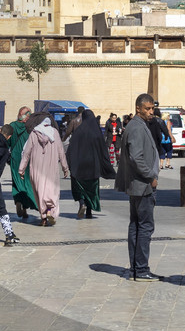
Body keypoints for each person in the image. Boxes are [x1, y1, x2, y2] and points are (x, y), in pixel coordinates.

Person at [120, 92, 161, 280]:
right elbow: (136, 157)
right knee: (144, 227)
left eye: (152, 108)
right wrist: (151, 175)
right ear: (138, 108)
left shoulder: (139, 125)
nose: (151, 112)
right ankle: (141, 269)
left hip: (138, 185)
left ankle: (137, 268)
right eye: (148, 108)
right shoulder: (136, 127)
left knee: (137, 226)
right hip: (142, 186)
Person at [18, 112, 67, 226]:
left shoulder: (34, 133)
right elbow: (61, 151)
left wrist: (21, 169)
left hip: (36, 168)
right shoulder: (54, 133)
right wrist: (65, 168)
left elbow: (26, 153)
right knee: (52, 190)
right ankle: (50, 210)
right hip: (51, 168)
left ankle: (43, 218)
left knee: (39, 192)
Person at [66, 109, 112, 220]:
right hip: (93, 166)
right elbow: (103, 151)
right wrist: (106, 166)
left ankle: (82, 202)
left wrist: (69, 163)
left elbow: (71, 149)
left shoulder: (78, 131)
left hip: (79, 165)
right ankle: (89, 213)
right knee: (92, 190)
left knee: (79, 187)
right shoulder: (96, 132)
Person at [6, 107, 39, 222]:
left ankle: (19, 202)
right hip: (28, 159)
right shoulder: (31, 128)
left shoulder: (12, 126)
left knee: (16, 182)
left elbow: (7, 142)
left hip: (15, 159)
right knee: (27, 182)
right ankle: (31, 205)